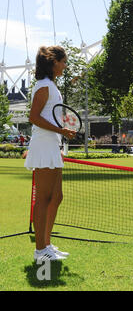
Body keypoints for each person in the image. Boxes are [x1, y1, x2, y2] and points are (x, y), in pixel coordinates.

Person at [24, 46, 76, 261]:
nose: (65, 65)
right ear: (53, 62)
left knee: (56, 196)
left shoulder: (51, 85)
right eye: (63, 61)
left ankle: (46, 244)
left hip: (52, 144)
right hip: (44, 145)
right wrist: (61, 130)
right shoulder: (44, 86)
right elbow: (33, 117)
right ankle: (39, 251)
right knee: (44, 198)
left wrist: (60, 131)